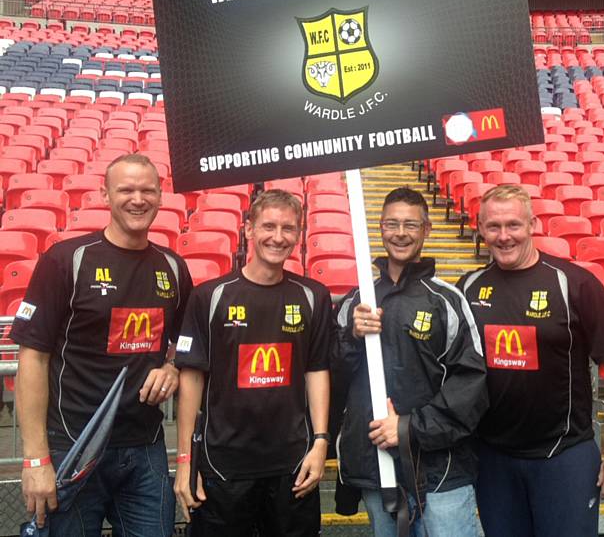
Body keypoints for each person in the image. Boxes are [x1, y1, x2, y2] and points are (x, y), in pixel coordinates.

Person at [11, 153, 193, 535]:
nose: (137, 199)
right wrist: (34, 459)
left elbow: (185, 344)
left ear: (161, 196)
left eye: (147, 190)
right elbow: (33, 357)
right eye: (126, 189)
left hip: (145, 447)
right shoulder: (66, 260)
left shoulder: (173, 268)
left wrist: (172, 368)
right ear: (105, 195)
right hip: (73, 446)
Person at [457, 184, 604, 537]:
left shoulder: (575, 284)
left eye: (514, 225)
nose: (504, 236)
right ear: (480, 229)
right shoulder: (469, 287)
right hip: (494, 459)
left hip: (564, 456)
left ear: (533, 225)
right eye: (493, 226)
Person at [173, 189, 332, 537]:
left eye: (288, 228)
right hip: (224, 468)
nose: (278, 237)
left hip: (292, 466)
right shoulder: (209, 296)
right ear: (248, 229)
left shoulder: (313, 296)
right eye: (268, 226)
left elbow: (316, 369)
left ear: (299, 233)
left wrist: (320, 442)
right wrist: (185, 461)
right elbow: (191, 378)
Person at [332, 187, 488, 537]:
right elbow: (333, 379)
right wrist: (351, 338)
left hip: (441, 472)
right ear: (380, 228)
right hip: (379, 468)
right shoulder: (357, 301)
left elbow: (471, 385)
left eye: (410, 224)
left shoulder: (447, 300)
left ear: (427, 230)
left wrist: (408, 427)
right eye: (391, 224)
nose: (400, 233)